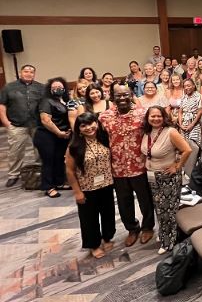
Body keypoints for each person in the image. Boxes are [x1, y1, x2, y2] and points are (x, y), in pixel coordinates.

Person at [99, 84, 155, 246]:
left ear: (131, 95)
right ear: (112, 97)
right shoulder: (104, 117)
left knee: (145, 200)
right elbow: (102, 141)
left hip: (140, 165)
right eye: (118, 95)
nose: (122, 98)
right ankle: (132, 228)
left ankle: (148, 227)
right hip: (118, 167)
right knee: (124, 202)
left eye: (125, 95)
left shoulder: (143, 114)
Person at [141, 106, 191, 254]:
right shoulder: (147, 132)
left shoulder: (171, 132)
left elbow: (187, 150)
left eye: (159, 116)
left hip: (167, 178)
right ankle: (164, 233)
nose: (156, 119)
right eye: (152, 116)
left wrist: (177, 166)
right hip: (151, 176)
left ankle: (169, 241)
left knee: (167, 210)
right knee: (159, 208)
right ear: (147, 118)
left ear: (164, 117)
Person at [65, 112, 115, 259]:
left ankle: (107, 237)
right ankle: (93, 244)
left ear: (97, 123)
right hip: (87, 188)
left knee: (108, 213)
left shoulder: (104, 138)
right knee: (89, 218)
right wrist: (77, 192)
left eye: (91, 123)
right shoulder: (74, 146)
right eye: (83, 125)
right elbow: (69, 171)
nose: (89, 128)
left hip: (106, 184)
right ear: (78, 129)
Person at [0, 64, 44, 187]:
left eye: (31, 72)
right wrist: (6, 123)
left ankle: (40, 171)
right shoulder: (9, 87)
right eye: (26, 71)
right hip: (16, 124)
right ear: (20, 73)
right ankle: (13, 174)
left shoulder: (41, 87)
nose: (29, 73)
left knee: (40, 149)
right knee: (15, 151)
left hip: (36, 124)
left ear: (34, 74)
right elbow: (2, 105)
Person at [33, 77, 72, 198]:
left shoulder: (64, 100)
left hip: (60, 136)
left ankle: (59, 182)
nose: (57, 89)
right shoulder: (46, 101)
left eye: (59, 87)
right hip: (46, 135)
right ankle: (48, 187)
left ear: (64, 88)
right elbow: (46, 121)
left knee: (59, 159)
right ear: (49, 89)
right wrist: (59, 132)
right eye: (54, 87)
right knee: (48, 161)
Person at [179, 79, 202, 145]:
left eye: (189, 85)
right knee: (184, 144)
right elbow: (180, 112)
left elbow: (200, 112)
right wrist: (181, 124)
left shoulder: (198, 96)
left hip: (194, 124)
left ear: (193, 86)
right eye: (185, 86)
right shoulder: (184, 97)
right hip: (184, 124)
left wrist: (192, 125)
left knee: (193, 144)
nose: (187, 88)